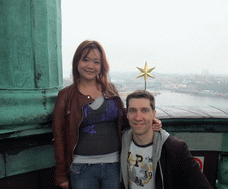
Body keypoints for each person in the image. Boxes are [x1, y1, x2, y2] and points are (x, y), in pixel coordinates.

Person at [52, 40, 161, 189]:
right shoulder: (66, 95)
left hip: (114, 166)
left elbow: (124, 116)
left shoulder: (110, 89)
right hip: (82, 168)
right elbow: (59, 137)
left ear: (101, 65)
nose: (90, 66)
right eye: (85, 60)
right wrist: (61, 175)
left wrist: (151, 119)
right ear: (77, 61)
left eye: (96, 62)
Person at [120, 90, 212, 189]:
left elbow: (201, 185)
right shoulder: (120, 142)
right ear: (127, 115)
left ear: (153, 114)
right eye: (133, 110)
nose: (138, 117)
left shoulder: (175, 148)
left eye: (145, 110)